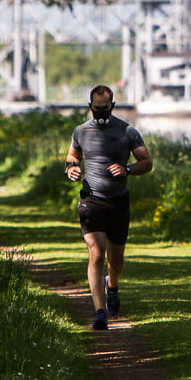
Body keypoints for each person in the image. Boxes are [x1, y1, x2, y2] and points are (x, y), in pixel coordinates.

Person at [65, 85, 153, 330]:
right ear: (90, 106)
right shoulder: (81, 131)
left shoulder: (128, 131)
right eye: (97, 109)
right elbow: (72, 156)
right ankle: (99, 312)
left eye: (105, 108)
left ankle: (111, 286)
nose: (101, 112)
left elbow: (147, 162)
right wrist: (70, 168)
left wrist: (127, 169)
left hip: (118, 201)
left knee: (116, 259)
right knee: (96, 252)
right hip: (91, 199)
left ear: (113, 106)